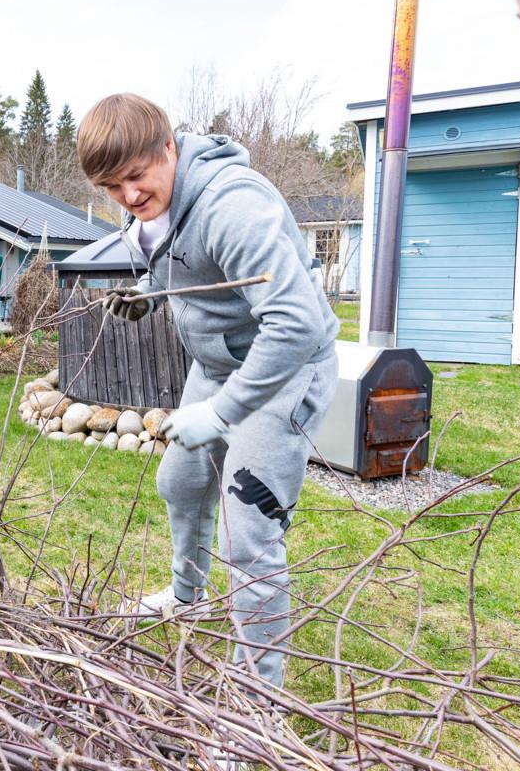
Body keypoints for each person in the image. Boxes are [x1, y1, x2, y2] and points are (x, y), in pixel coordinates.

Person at [77, 93, 339, 689]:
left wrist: (221, 415)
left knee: (246, 531)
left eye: (137, 178)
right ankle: (186, 594)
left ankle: (257, 696)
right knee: (181, 480)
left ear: (168, 147)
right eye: (113, 188)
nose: (129, 197)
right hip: (220, 363)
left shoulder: (233, 205)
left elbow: (295, 324)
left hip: (286, 368)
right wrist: (147, 292)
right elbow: (185, 262)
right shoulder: (150, 205)